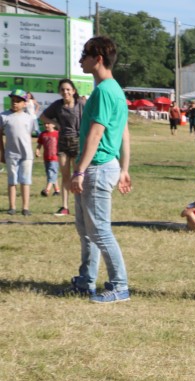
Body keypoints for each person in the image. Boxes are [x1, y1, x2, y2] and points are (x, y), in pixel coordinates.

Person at [61, 36, 132, 303]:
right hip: (103, 167)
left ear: (98, 58)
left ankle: (119, 286)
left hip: (98, 168)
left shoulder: (104, 91)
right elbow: (124, 133)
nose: (81, 60)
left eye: (84, 55)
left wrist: (79, 170)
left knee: (99, 231)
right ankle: (85, 281)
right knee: (86, 229)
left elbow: (96, 132)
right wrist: (124, 168)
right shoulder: (114, 89)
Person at [40, 79, 85, 217]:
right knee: (65, 176)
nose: (65, 92)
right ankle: (64, 207)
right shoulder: (57, 106)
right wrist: (56, 124)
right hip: (63, 144)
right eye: (62, 90)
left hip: (77, 142)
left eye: (68, 89)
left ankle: (81, 207)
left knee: (78, 176)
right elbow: (42, 117)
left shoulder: (81, 104)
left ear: (73, 91)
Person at [0, 88, 37, 216]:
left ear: (24, 103)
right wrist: (2, 152)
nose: (15, 103)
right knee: (12, 180)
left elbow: (31, 134)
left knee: (25, 180)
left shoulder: (29, 118)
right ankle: (12, 207)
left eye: (18, 101)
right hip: (11, 154)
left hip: (26, 155)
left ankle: (25, 207)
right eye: (13, 101)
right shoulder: (4, 116)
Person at [36, 121, 60, 198]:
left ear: (53, 124)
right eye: (45, 123)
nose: (46, 125)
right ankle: (57, 190)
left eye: (48, 123)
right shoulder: (43, 134)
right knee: (51, 174)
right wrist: (37, 150)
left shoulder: (57, 134)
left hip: (55, 158)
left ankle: (47, 190)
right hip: (46, 157)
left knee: (51, 173)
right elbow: (39, 144)